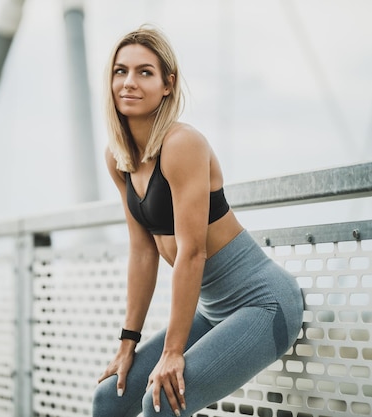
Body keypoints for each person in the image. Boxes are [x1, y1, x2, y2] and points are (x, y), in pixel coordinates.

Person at [92, 25, 304, 417]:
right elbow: (142, 253)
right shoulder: (118, 158)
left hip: (262, 303)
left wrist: (173, 352)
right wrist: (127, 344)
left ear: (167, 84)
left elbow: (192, 252)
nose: (129, 82)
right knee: (109, 399)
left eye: (144, 72)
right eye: (120, 71)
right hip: (211, 311)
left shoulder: (181, 144)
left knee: (160, 404)